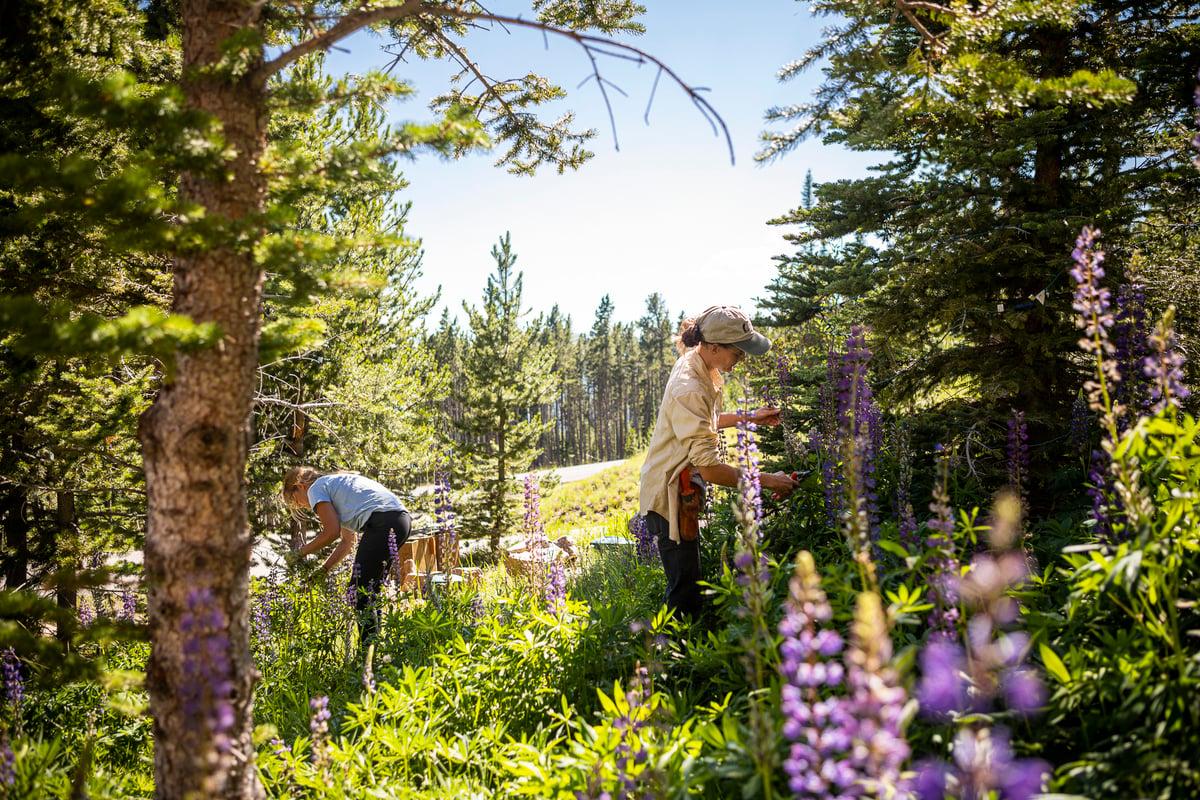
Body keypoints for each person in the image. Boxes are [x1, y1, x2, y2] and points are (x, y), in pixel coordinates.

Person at [639, 305, 797, 620]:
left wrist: (750, 417)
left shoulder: (700, 363)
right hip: (667, 497)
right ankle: (663, 658)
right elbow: (710, 469)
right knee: (685, 595)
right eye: (738, 353)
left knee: (688, 583)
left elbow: (704, 420)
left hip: (684, 491)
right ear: (714, 347)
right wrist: (766, 480)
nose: (742, 359)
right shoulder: (690, 385)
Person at [282, 466, 412, 644]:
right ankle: (378, 653)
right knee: (370, 591)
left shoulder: (316, 489)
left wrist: (299, 553)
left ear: (300, 485)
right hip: (400, 521)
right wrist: (324, 570)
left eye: (294, 499)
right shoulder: (334, 489)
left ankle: (367, 653)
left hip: (383, 522)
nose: (300, 505)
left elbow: (331, 532)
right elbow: (347, 542)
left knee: (359, 590)